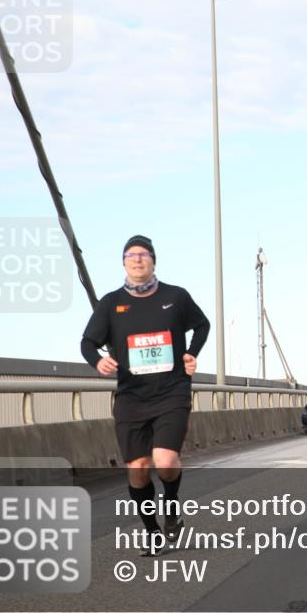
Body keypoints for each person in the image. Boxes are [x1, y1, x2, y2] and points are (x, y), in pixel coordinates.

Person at [81, 235, 210, 557]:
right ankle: (153, 532)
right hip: (131, 396)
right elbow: (87, 342)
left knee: (165, 460)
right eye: (130, 255)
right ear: (123, 262)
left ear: (153, 260)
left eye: (143, 255)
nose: (137, 260)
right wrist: (97, 360)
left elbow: (202, 324)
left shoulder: (175, 297)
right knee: (137, 467)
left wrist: (191, 353)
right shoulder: (110, 304)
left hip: (172, 390)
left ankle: (171, 506)